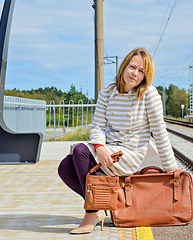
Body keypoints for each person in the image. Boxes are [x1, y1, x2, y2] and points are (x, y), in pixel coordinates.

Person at [58, 47, 178, 234]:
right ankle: (105, 204)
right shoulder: (107, 92)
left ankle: (92, 212)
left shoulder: (149, 95)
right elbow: (97, 125)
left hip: (129, 154)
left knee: (80, 151)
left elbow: (160, 133)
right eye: (132, 67)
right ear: (124, 66)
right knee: (65, 167)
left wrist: (171, 169)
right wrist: (100, 148)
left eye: (141, 71)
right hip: (108, 150)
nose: (135, 74)